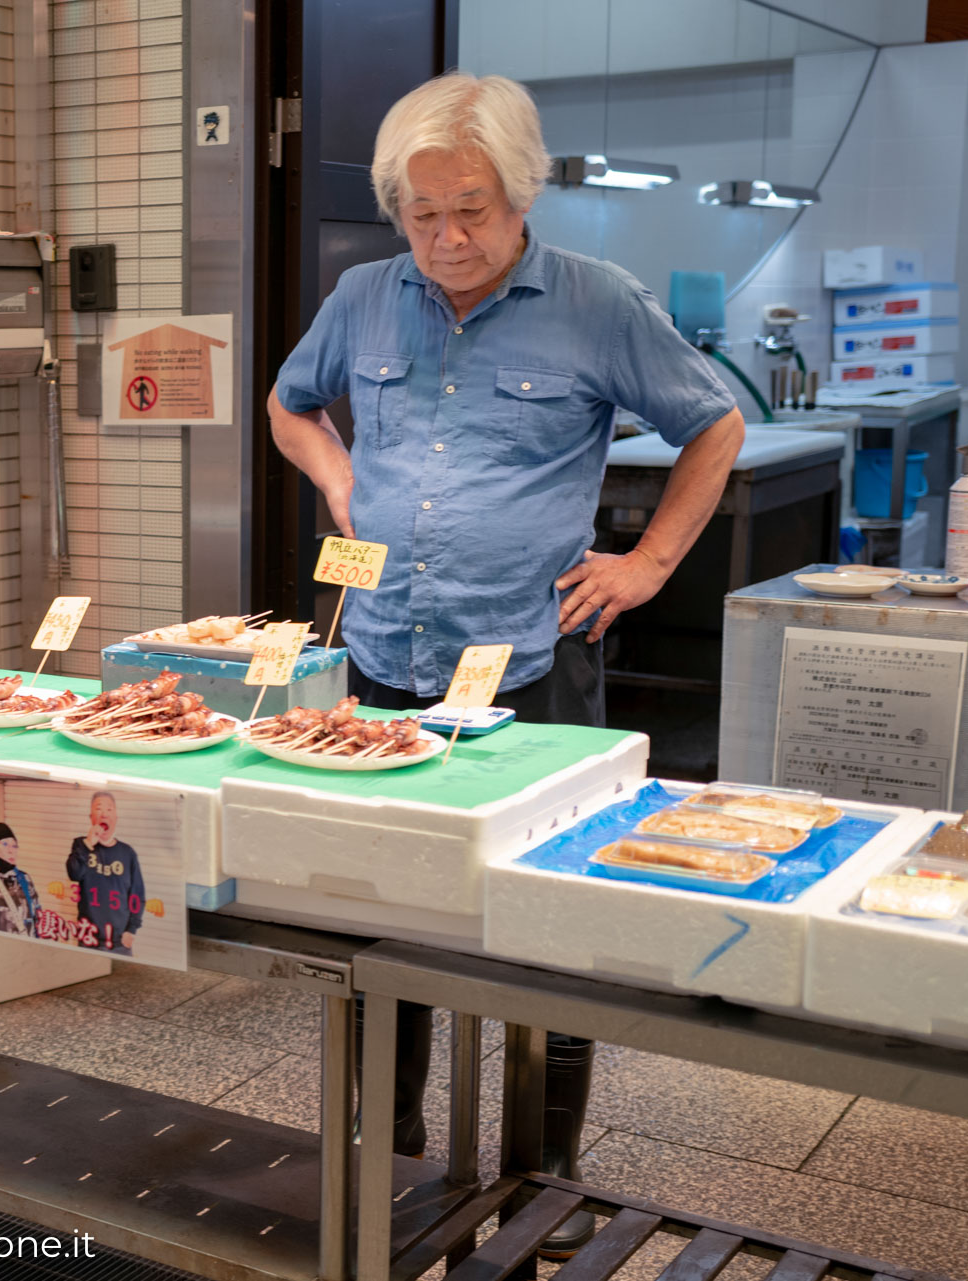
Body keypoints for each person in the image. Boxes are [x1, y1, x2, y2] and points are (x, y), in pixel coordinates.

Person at [269, 72, 745, 1258]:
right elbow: (291, 405)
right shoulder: (364, 299)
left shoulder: (597, 302)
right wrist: (339, 481)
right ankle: (394, 1158)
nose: (448, 240)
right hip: (384, 658)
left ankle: (548, 1173)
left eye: (471, 209)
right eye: (423, 215)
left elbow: (714, 422)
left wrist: (649, 561)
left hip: (532, 664)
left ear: (521, 192)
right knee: (383, 922)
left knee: (548, 924)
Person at [64, 792, 146, 955]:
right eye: (98, 809)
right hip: (88, 938)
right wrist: (88, 844)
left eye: (109, 810)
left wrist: (132, 930)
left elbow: (137, 894)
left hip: (119, 943)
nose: (104, 814)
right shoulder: (81, 845)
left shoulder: (127, 853)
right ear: (91, 817)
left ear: (116, 817)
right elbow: (74, 874)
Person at [0, 822, 41, 937]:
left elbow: (37, 916)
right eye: (4, 844)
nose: (11, 850)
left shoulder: (24, 879)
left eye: (14, 845)